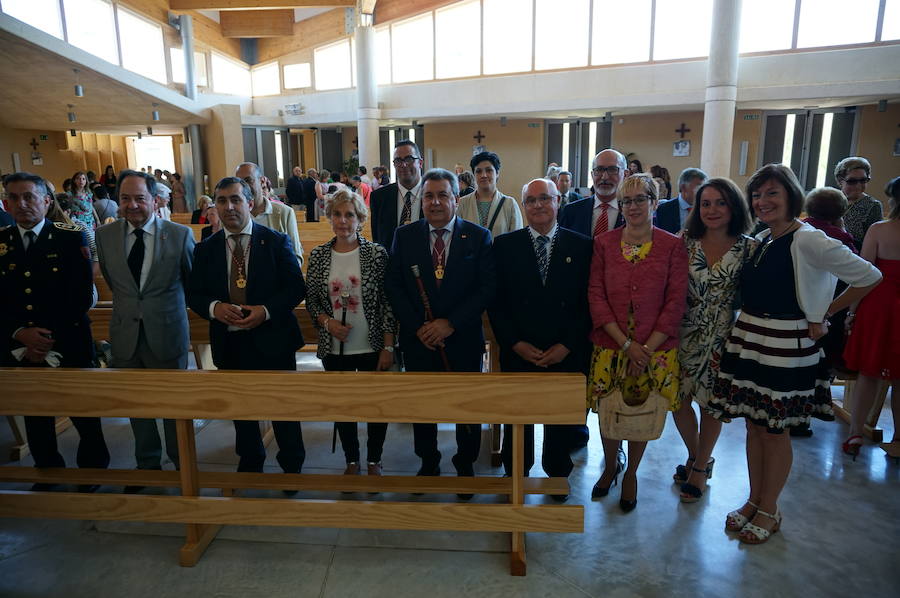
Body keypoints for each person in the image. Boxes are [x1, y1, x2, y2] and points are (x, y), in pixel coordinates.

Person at [706, 164, 881, 544]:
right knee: (754, 426)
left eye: (772, 193)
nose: (762, 201)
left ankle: (770, 508)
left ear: (790, 196)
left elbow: (868, 275)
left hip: (785, 344)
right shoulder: (764, 236)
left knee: (774, 431)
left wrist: (825, 312)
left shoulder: (808, 238)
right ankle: (753, 499)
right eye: (757, 194)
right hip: (750, 338)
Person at [188, 177, 307, 478]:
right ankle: (250, 460)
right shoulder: (206, 249)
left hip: (273, 340)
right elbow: (195, 294)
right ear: (214, 205)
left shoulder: (275, 240)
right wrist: (216, 308)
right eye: (222, 200)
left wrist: (265, 311)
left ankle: (291, 464)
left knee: (283, 410)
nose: (229, 206)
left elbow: (295, 288)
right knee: (241, 410)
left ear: (250, 203)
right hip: (231, 341)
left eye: (236, 199)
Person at [385, 168, 495, 490]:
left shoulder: (477, 236)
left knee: (466, 406)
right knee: (423, 405)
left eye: (442, 195)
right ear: (422, 202)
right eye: (429, 196)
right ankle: (428, 461)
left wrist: (450, 323)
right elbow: (393, 285)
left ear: (456, 199)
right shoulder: (404, 236)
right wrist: (419, 326)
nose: (435, 202)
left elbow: (487, 288)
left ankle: (465, 464)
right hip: (419, 340)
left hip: (462, 339)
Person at [0, 172, 110, 491]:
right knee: (35, 410)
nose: (22, 204)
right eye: (14, 198)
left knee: (82, 407)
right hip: (20, 342)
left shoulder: (70, 234)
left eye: (29, 196)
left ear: (46, 202)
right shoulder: (2, 243)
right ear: (5, 203)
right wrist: (20, 333)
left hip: (69, 336)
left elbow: (80, 293)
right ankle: (46, 468)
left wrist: (46, 338)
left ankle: (92, 468)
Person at [587, 173, 688, 512]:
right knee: (610, 407)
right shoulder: (603, 243)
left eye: (639, 199)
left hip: (655, 349)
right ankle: (611, 465)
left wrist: (645, 347)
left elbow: (676, 301)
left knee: (643, 409)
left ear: (654, 203)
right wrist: (625, 343)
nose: (632, 207)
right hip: (611, 343)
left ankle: (632, 472)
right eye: (626, 201)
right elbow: (596, 295)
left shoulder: (672, 246)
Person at [489, 178, 592, 500]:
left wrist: (567, 345)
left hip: (565, 351)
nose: (538, 206)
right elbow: (496, 303)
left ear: (558, 201)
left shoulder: (583, 246)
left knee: (558, 419)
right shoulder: (505, 246)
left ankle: (557, 473)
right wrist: (514, 342)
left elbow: (589, 304)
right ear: (523, 206)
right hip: (520, 349)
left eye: (545, 198)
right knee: (516, 418)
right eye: (531, 200)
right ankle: (515, 471)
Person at [96, 171, 194, 485]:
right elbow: (117, 284)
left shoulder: (179, 235)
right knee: (136, 407)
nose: (133, 205)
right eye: (125, 198)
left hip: (167, 333)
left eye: (140, 198)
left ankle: (182, 466)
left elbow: (191, 283)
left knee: (173, 408)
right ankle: (147, 466)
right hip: (126, 335)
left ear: (155, 199)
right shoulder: (105, 236)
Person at [671, 177, 754, 502]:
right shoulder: (685, 242)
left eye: (720, 202)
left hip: (724, 336)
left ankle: (701, 466)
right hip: (683, 332)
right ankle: (696, 456)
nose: (712, 209)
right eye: (706, 203)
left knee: (712, 404)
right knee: (677, 400)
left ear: (733, 206)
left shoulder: (750, 247)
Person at [305, 189, 396, 476]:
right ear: (330, 218)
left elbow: (387, 303)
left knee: (374, 406)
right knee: (343, 407)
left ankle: (374, 459)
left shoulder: (376, 254)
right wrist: (327, 322)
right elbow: (312, 300)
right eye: (337, 214)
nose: (343, 221)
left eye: (350, 215)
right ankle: (351, 460)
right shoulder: (319, 255)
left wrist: (388, 346)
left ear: (360, 219)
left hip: (371, 344)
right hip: (335, 346)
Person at [841, 176, 900, 457]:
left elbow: (864, 274)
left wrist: (852, 312)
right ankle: (899, 439)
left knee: (869, 372)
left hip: (879, 304)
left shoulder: (879, 230)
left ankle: (855, 434)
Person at [236, 162, 304, 266]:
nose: (244, 187)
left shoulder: (284, 212)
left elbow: (295, 255)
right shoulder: (234, 215)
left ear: (262, 181)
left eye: (248, 180)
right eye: (240, 182)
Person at [559, 149, 627, 238]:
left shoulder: (633, 212)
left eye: (612, 169)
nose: (605, 177)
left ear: (625, 174)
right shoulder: (571, 211)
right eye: (599, 170)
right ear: (592, 174)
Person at [370, 140, 424, 250]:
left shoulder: (433, 195)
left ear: (420, 163)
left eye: (409, 159)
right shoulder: (379, 197)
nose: (403, 165)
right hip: (391, 264)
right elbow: (378, 240)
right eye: (398, 160)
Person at [457, 151, 523, 238]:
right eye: (478, 171)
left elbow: (517, 239)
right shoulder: (463, 203)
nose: (483, 175)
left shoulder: (509, 204)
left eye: (489, 170)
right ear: (474, 174)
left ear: (497, 173)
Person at [834, 156, 883, 249]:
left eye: (863, 180)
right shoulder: (830, 199)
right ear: (840, 181)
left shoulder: (873, 206)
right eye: (852, 181)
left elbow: (874, 243)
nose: (858, 185)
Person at [655, 168, 708, 234]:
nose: (703, 192)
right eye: (699, 188)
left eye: (704, 188)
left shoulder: (706, 209)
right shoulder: (663, 209)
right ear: (683, 187)